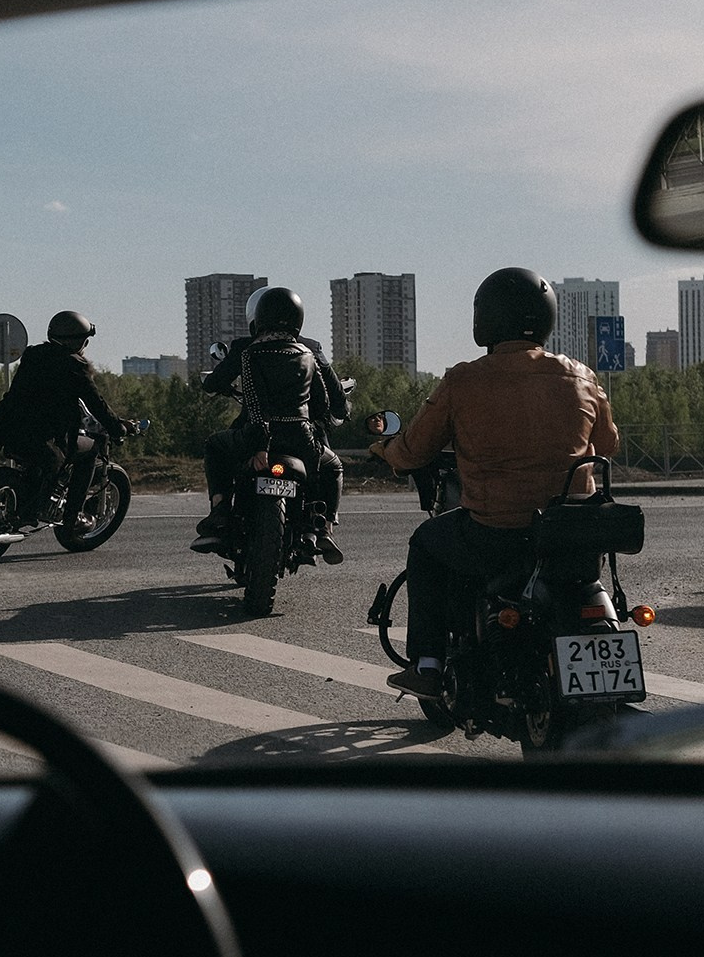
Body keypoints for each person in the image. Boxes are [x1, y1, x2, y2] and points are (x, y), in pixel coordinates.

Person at [370, 267, 620, 702]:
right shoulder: (582, 376)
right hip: (572, 534)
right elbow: (608, 445)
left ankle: (427, 665)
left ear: (484, 318)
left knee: (426, 543)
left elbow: (413, 451)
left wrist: (385, 450)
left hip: (496, 533)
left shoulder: (464, 379)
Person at [190, 286, 348, 563]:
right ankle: (323, 525)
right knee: (331, 465)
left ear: (258, 317)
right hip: (300, 436)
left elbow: (234, 392)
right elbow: (331, 401)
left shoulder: (247, 350)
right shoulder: (310, 352)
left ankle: (221, 510)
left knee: (216, 447)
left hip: (255, 434)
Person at [0, 310, 130, 529]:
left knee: (44, 459)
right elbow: (96, 403)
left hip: (10, 428)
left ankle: (33, 497)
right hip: (45, 436)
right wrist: (117, 428)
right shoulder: (74, 366)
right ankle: (73, 515)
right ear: (79, 342)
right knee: (91, 449)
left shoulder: (32, 355)